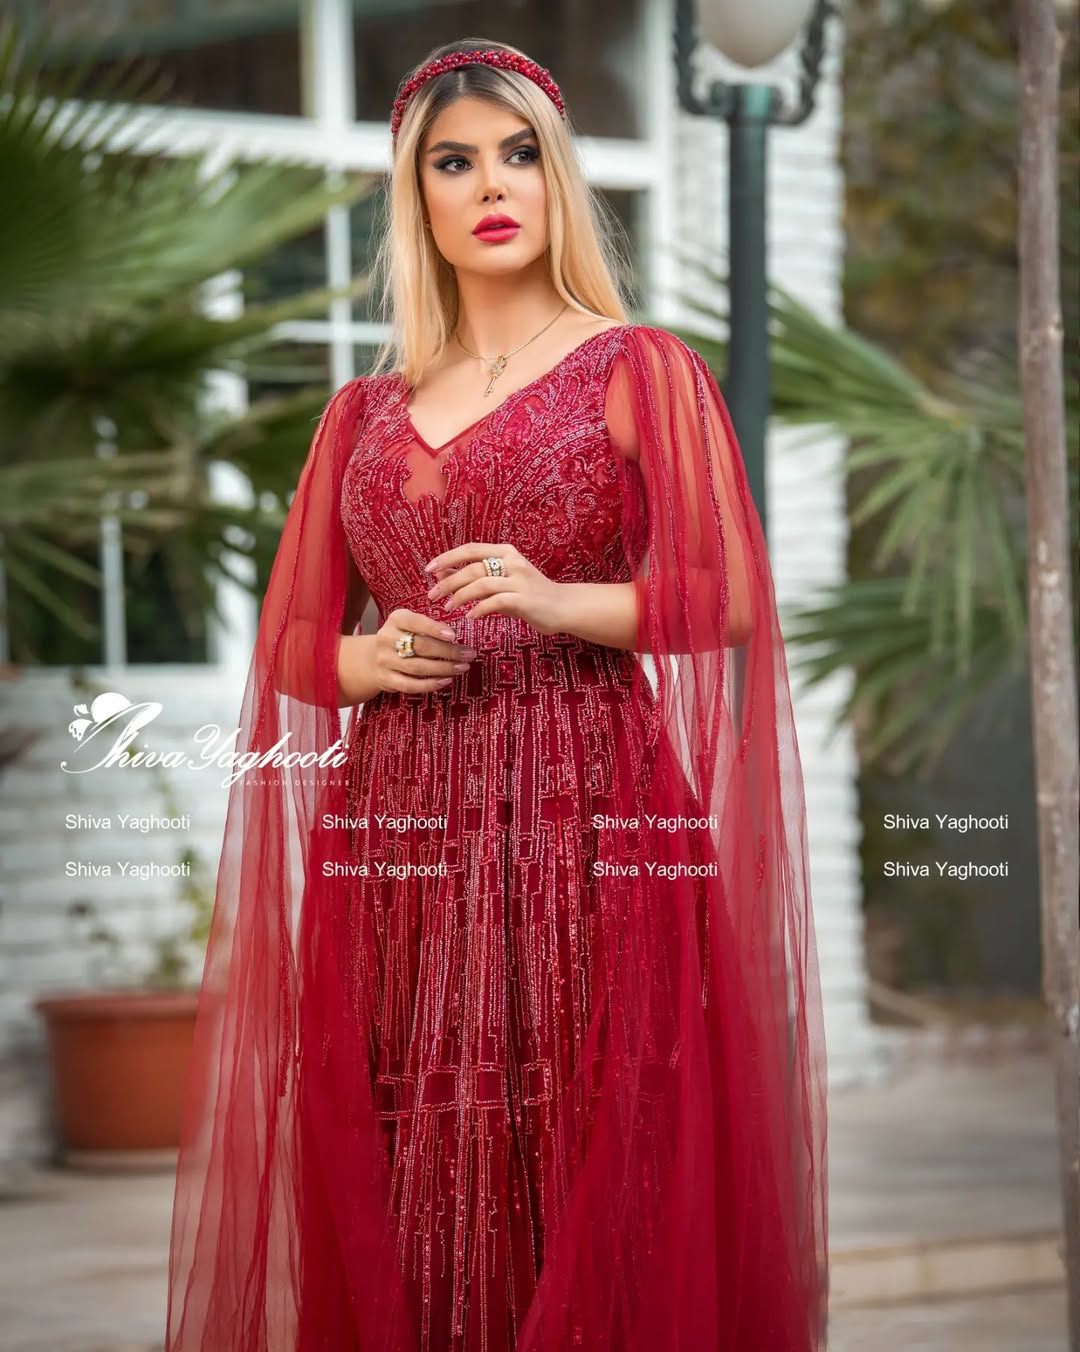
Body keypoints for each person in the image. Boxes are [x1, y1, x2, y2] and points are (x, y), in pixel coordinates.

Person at [165, 38, 828, 1352]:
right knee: (411, 1139)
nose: (491, 185)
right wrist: (368, 662)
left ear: (558, 175)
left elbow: (728, 595)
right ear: (416, 196)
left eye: (519, 154)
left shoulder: (638, 368)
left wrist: (557, 600)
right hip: (401, 828)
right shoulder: (360, 414)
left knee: (583, 1127)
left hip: (584, 809)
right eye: (454, 162)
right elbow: (292, 645)